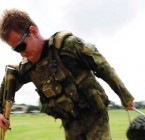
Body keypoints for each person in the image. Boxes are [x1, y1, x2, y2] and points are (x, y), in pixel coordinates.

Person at [0, 9, 134, 140]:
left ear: (33, 32)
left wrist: (125, 96)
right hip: (70, 123)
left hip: (94, 116)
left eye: (21, 46)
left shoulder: (67, 47)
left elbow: (102, 67)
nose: (22, 54)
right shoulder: (28, 68)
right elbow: (9, 80)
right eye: (16, 50)